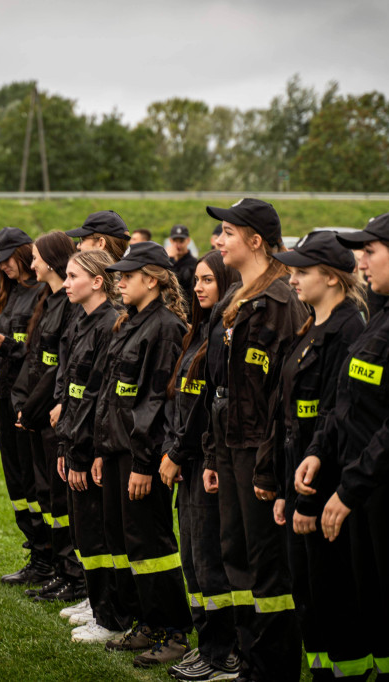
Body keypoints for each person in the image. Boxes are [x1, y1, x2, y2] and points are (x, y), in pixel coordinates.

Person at [296, 211, 389, 682]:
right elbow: (347, 398)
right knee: (378, 611)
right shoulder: (388, 310)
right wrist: (320, 449)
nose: (360, 262)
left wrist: (351, 487)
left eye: (370, 251)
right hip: (364, 490)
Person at [202, 199, 305, 681]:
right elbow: (219, 386)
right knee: (235, 556)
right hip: (228, 448)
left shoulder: (283, 301)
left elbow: (283, 396)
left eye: (226, 232)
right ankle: (248, 660)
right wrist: (211, 453)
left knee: (267, 567)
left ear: (256, 240)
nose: (216, 241)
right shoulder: (232, 299)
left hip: (259, 451)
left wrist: (267, 465)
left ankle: (273, 667)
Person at [273, 232, 370, 681]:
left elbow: (337, 417)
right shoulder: (312, 323)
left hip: (324, 484)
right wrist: (282, 489)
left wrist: (310, 500)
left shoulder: (349, 329)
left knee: (333, 596)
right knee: (308, 594)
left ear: (331, 277)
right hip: (299, 478)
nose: (293, 279)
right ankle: (320, 673)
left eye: (302, 272)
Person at [95, 241, 192, 668]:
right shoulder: (131, 322)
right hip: (118, 450)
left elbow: (158, 403)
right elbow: (113, 395)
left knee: (153, 545)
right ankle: (149, 623)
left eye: (127, 276)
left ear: (151, 280)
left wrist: (144, 464)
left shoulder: (166, 326)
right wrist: (103, 449)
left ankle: (174, 631)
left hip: (142, 458)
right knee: (131, 543)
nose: (119, 282)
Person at [159, 251, 242, 681]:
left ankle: (223, 654)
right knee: (192, 560)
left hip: (202, 459)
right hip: (188, 460)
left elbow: (208, 406)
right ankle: (208, 646)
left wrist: (179, 452)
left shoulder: (223, 336)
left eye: (209, 280)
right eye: (198, 280)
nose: (199, 286)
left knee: (209, 560)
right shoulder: (198, 331)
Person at [54, 250, 126, 644]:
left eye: (72, 276)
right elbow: (73, 389)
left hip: (92, 444)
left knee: (98, 534)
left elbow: (98, 399)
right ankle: (98, 603)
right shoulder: (84, 320)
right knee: (86, 532)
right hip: (76, 438)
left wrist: (81, 452)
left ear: (98, 281)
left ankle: (111, 616)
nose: (65, 283)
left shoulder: (109, 324)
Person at [0, 228, 49, 585]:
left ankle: (48, 558)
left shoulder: (42, 294)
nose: (1, 267)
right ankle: (36, 552)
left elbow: (39, 356)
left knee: (35, 481)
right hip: (6, 394)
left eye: (6, 259)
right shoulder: (10, 292)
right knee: (16, 480)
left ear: (24, 253)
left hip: (29, 399)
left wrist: (4, 348)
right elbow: (10, 350)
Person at [10, 232, 83, 603]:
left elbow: (59, 369)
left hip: (51, 413)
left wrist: (32, 407)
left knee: (60, 497)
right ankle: (60, 568)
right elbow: (36, 360)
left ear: (52, 260)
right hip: (38, 411)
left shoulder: (69, 305)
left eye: (36, 257)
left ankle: (73, 574)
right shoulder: (49, 300)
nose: (31, 263)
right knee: (48, 495)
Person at [168, 224, 198, 317]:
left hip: (186, 313)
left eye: (181, 241)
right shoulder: (168, 260)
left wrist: (171, 260)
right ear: (170, 241)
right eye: (174, 241)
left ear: (188, 241)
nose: (178, 245)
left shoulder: (193, 263)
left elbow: (176, 282)